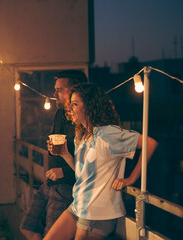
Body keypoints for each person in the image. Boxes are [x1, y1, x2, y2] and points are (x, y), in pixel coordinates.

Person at [43, 83, 158, 240]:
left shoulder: (108, 133)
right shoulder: (82, 135)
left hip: (96, 214)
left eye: (75, 103)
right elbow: (81, 173)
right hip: (78, 206)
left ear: (89, 106)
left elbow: (150, 143)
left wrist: (131, 178)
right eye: (70, 103)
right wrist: (64, 154)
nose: (70, 107)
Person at [20, 70, 88, 240]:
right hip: (49, 184)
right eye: (55, 89)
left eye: (60, 90)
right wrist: (51, 146)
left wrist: (64, 171)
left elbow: (91, 164)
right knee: (27, 228)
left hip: (67, 188)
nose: (54, 94)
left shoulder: (85, 119)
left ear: (76, 90)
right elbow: (58, 145)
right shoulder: (60, 113)